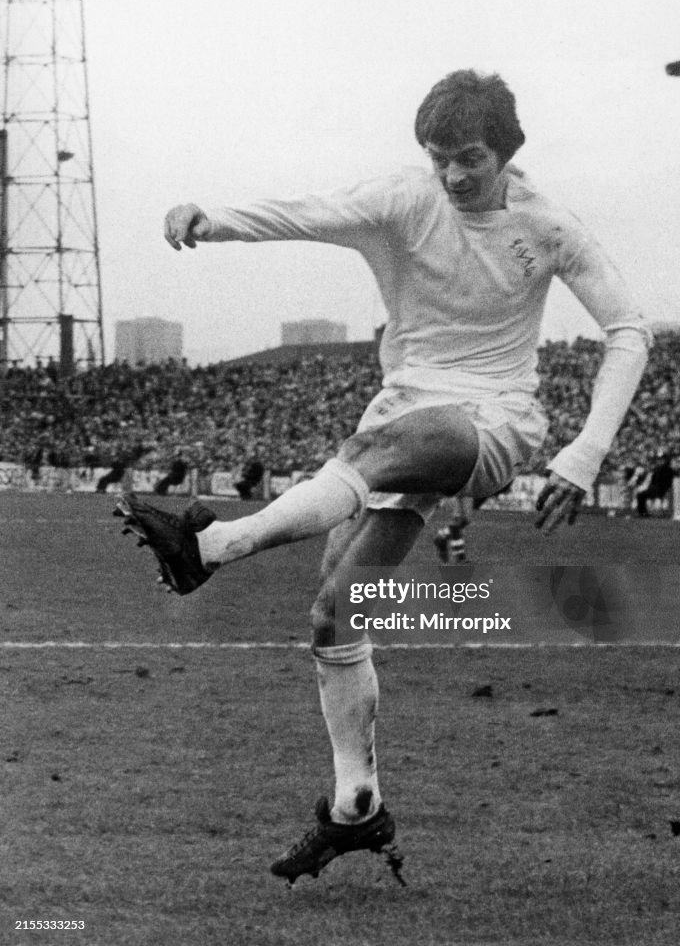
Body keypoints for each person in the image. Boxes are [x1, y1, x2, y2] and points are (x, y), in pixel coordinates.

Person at [115, 69, 650, 884]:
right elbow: (314, 211)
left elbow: (627, 329)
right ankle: (355, 806)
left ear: (506, 151)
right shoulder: (407, 198)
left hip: (493, 420)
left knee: (368, 457)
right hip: (402, 409)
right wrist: (212, 218)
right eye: (438, 158)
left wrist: (582, 453)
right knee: (336, 608)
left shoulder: (546, 226)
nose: (453, 175)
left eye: (469, 158)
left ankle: (215, 546)